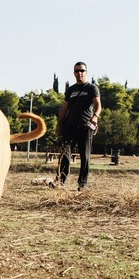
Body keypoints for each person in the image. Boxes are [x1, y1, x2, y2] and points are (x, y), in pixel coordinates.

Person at [55, 61, 102, 191]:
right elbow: (65, 107)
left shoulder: (92, 88)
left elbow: (98, 105)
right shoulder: (71, 90)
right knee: (65, 154)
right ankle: (60, 182)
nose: (79, 73)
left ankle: (82, 185)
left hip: (85, 126)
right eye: (77, 71)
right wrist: (59, 124)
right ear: (74, 73)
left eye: (82, 70)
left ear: (86, 72)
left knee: (85, 156)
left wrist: (95, 117)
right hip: (69, 126)